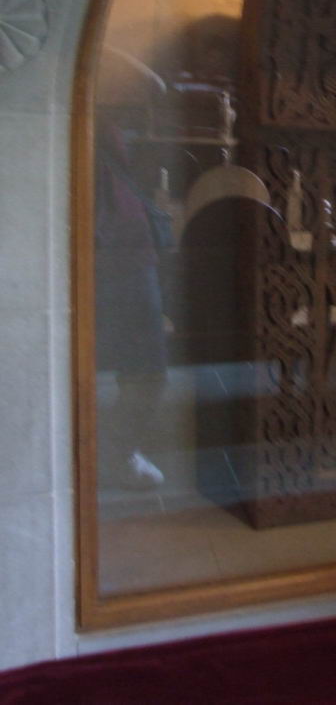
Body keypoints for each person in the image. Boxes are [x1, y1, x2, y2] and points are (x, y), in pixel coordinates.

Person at [94, 47, 170, 490]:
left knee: (147, 372)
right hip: (107, 261)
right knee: (136, 371)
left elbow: (152, 86)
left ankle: (117, 453)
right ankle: (109, 455)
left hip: (131, 259)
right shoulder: (74, 115)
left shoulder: (105, 122)